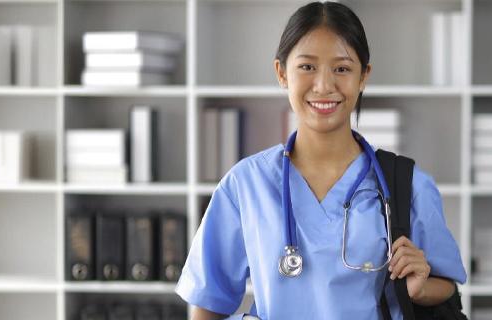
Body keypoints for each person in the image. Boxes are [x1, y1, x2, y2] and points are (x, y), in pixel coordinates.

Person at [175, 2, 467, 319]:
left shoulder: (408, 184)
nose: (324, 86)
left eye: (341, 68)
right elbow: (207, 303)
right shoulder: (245, 184)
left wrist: (421, 288)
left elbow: (447, 284)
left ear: (363, 76)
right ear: (281, 73)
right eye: (307, 67)